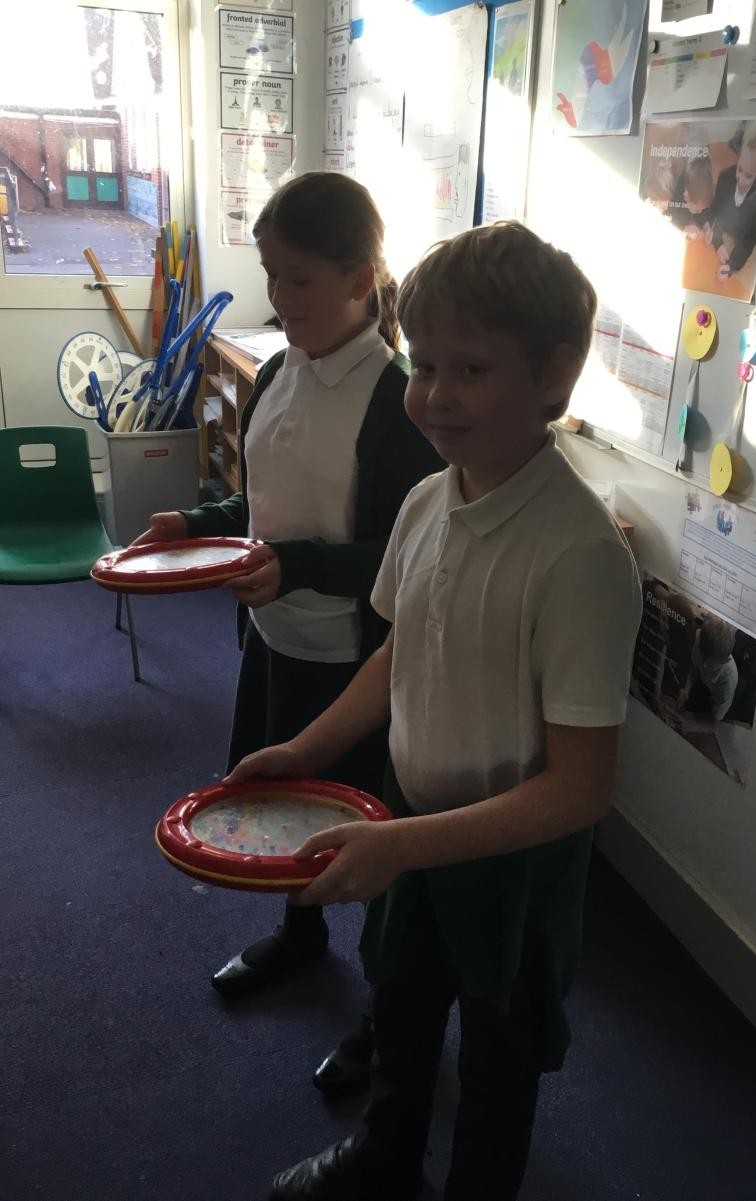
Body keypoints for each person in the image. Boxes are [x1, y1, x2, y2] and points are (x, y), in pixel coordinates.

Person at [225, 220, 643, 1201]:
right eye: (422, 364)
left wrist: (404, 845)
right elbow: (398, 652)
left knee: (498, 1060)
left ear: (554, 375)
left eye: (472, 369)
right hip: (406, 818)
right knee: (402, 1007)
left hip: (512, 865)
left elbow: (579, 790)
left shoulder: (580, 555)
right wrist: (304, 748)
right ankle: (383, 1159)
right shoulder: (423, 503)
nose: (435, 395)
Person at [132, 172, 443, 1092]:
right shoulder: (276, 371)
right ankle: (301, 936)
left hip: (355, 665)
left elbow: (402, 554)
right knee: (277, 808)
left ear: (360, 278)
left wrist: (300, 565)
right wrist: (196, 524)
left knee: (366, 834)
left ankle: (384, 1013)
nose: (279, 295)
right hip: (272, 640)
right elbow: (261, 509)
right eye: (272, 274)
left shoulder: (396, 400)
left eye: (299, 279)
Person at [703, 119, 756, 280]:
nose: (741, 180)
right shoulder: (726, 178)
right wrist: (717, 242)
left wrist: (730, 267)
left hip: (742, 257)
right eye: (740, 169)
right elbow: (716, 212)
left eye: (749, 176)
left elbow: (748, 241)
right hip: (722, 242)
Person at [677, 614, 738, 721]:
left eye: (710, 664)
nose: (704, 665)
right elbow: (694, 668)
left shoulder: (729, 680)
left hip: (718, 699)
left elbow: (716, 718)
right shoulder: (700, 640)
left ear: (725, 661)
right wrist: (686, 691)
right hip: (704, 684)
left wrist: (698, 724)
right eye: (703, 657)